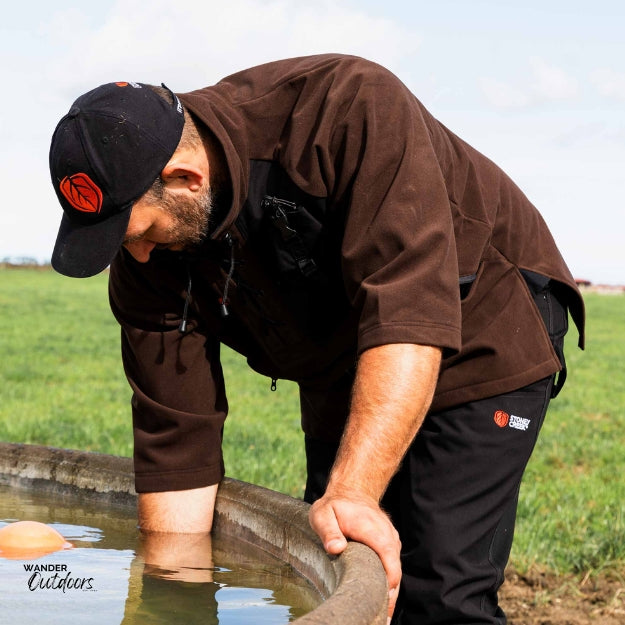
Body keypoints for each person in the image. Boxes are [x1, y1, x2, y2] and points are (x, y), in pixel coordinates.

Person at [49, 54, 584, 624]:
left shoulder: (347, 109)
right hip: (342, 353)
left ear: (186, 179)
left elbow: (408, 312)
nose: (137, 255)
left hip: (483, 321)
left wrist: (353, 492)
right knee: (341, 570)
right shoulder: (145, 250)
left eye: (139, 233)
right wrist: (171, 602)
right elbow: (175, 439)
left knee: (438, 588)